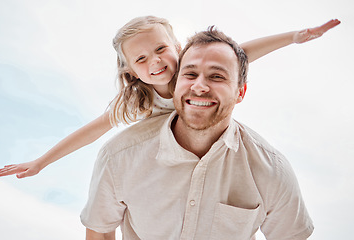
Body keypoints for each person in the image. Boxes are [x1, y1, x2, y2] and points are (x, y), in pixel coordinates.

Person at [0, 16, 340, 179]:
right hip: (167, 160)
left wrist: (294, 37)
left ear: (178, 48)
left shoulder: (195, 73)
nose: (155, 61)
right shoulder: (137, 99)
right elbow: (92, 130)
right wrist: (40, 162)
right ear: (131, 72)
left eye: (161, 49)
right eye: (141, 59)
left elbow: (241, 52)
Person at [82, 26, 314, 240]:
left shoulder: (272, 170)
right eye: (190, 75)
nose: (200, 86)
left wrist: (294, 37)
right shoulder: (118, 157)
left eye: (217, 76)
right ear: (176, 82)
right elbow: (99, 233)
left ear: (240, 92)